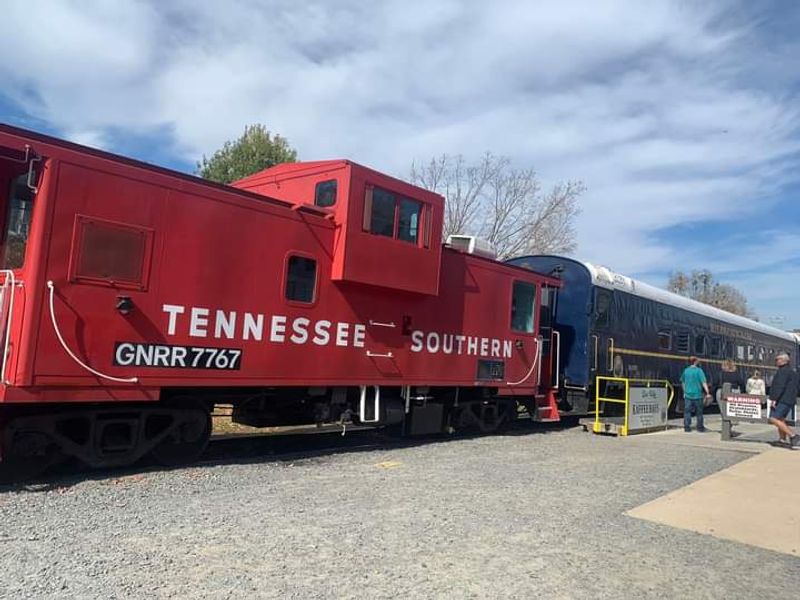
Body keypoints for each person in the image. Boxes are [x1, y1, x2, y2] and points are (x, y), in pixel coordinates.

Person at [767, 352, 799, 447]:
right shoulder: (792, 371)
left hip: (782, 399)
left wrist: (774, 399)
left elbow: (779, 386)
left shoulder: (782, 371)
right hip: (790, 399)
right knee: (781, 419)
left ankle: (793, 435)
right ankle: (782, 439)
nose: (776, 361)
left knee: (773, 418)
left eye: (777, 359)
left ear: (784, 360)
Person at [681, 356, 711, 432]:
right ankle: (700, 427)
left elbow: (683, 382)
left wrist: (684, 391)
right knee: (699, 412)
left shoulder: (686, 371)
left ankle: (687, 427)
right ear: (695, 362)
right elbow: (703, 382)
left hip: (688, 395)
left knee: (687, 412)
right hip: (698, 395)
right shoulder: (699, 371)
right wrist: (707, 392)